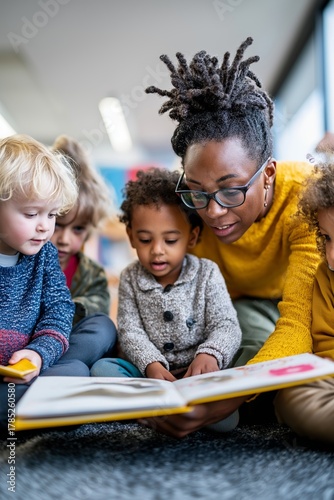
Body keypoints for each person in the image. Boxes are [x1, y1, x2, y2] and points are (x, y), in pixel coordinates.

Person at [137, 36, 321, 437]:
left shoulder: (306, 201)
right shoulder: (188, 210)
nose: (214, 211)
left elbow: (296, 326)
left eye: (231, 189)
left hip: (293, 305)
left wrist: (231, 397)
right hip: (230, 310)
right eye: (198, 190)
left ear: (267, 174)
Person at [91, 168, 242, 390]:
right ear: (131, 237)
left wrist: (210, 355)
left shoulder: (207, 273)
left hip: (197, 371)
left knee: (227, 421)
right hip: (147, 372)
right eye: (145, 240)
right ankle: (157, 403)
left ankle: (160, 407)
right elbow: (130, 330)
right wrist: (150, 363)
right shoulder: (130, 278)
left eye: (170, 240)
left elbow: (226, 324)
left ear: (192, 237)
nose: (157, 250)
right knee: (102, 370)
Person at [0, 134, 85, 429]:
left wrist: (38, 353)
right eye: (32, 213)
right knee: (73, 382)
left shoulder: (45, 253)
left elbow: (60, 308)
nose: (44, 227)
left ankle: (24, 407)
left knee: (81, 360)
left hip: (29, 363)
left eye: (52, 215)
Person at [274, 159, 334, 446]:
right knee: (290, 396)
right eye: (327, 239)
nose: (331, 255)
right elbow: (324, 344)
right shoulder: (325, 274)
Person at [49, 135, 117, 370]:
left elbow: (98, 308)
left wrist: (61, 310)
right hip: (25, 344)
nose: (64, 240)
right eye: (57, 223)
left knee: (103, 327)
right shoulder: (24, 263)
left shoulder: (92, 272)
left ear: (88, 232)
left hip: (64, 347)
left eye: (78, 229)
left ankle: (50, 371)